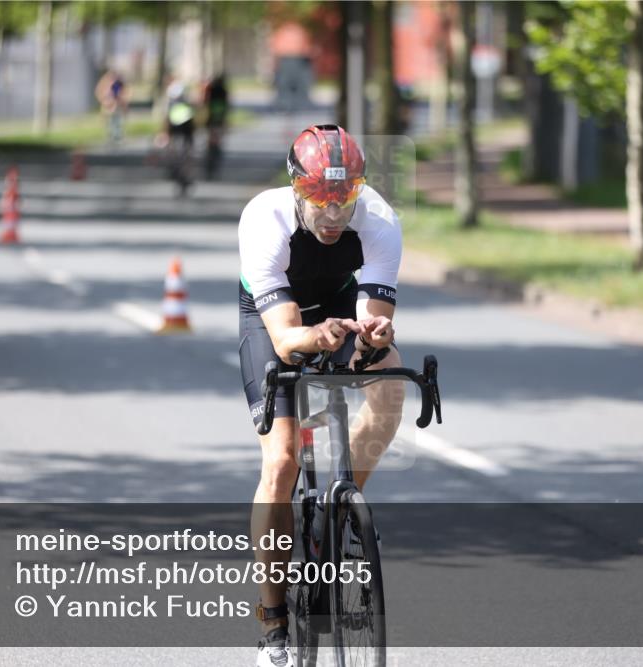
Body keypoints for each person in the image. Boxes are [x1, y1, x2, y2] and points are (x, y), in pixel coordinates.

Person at [237, 124, 404, 667]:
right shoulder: (265, 220)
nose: (334, 215)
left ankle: (338, 510)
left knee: (390, 379)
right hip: (274, 322)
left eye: (344, 199)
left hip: (338, 309)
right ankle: (274, 627)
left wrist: (373, 337)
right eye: (320, 200)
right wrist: (317, 337)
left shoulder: (379, 219)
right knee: (282, 462)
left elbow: (373, 321)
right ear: (297, 189)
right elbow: (288, 341)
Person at [202, 73, 229, 179]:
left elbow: (205, 102)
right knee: (217, 140)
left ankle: (211, 156)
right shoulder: (223, 91)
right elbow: (226, 106)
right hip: (219, 120)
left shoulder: (211, 89)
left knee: (211, 140)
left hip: (212, 119)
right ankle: (215, 155)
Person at [94, 68, 129, 144]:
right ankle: (112, 136)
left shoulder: (119, 83)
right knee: (110, 121)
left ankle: (117, 136)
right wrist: (105, 100)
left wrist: (122, 102)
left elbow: (123, 93)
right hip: (108, 105)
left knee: (118, 120)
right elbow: (100, 92)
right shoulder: (105, 83)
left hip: (117, 104)